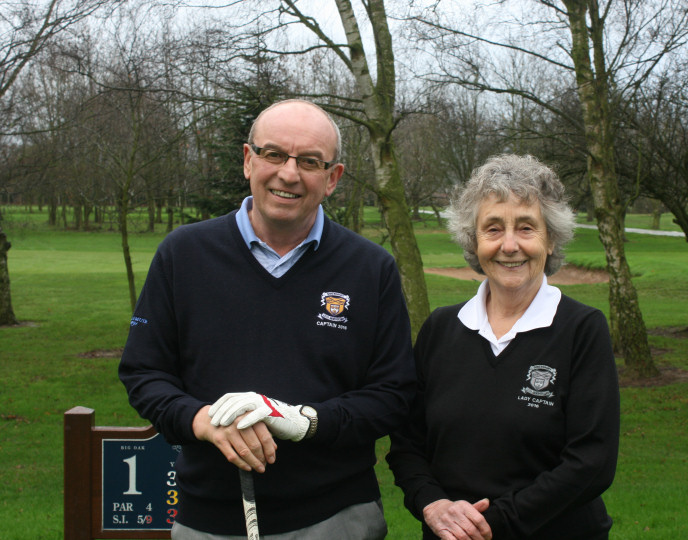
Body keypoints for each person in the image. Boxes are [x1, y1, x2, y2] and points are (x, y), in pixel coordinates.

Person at [119, 99, 415, 539]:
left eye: (310, 161)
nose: (289, 173)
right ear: (248, 160)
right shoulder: (184, 254)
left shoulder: (370, 268)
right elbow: (144, 372)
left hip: (335, 518)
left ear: (333, 178)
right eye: (273, 154)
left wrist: (307, 420)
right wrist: (201, 419)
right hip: (209, 520)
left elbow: (392, 395)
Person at [386, 154, 620, 540]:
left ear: (551, 238)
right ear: (473, 240)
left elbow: (591, 462)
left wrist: (490, 525)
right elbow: (407, 444)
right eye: (493, 229)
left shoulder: (582, 329)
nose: (509, 245)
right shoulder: (441, 329)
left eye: (526, 228)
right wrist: (433, 504)